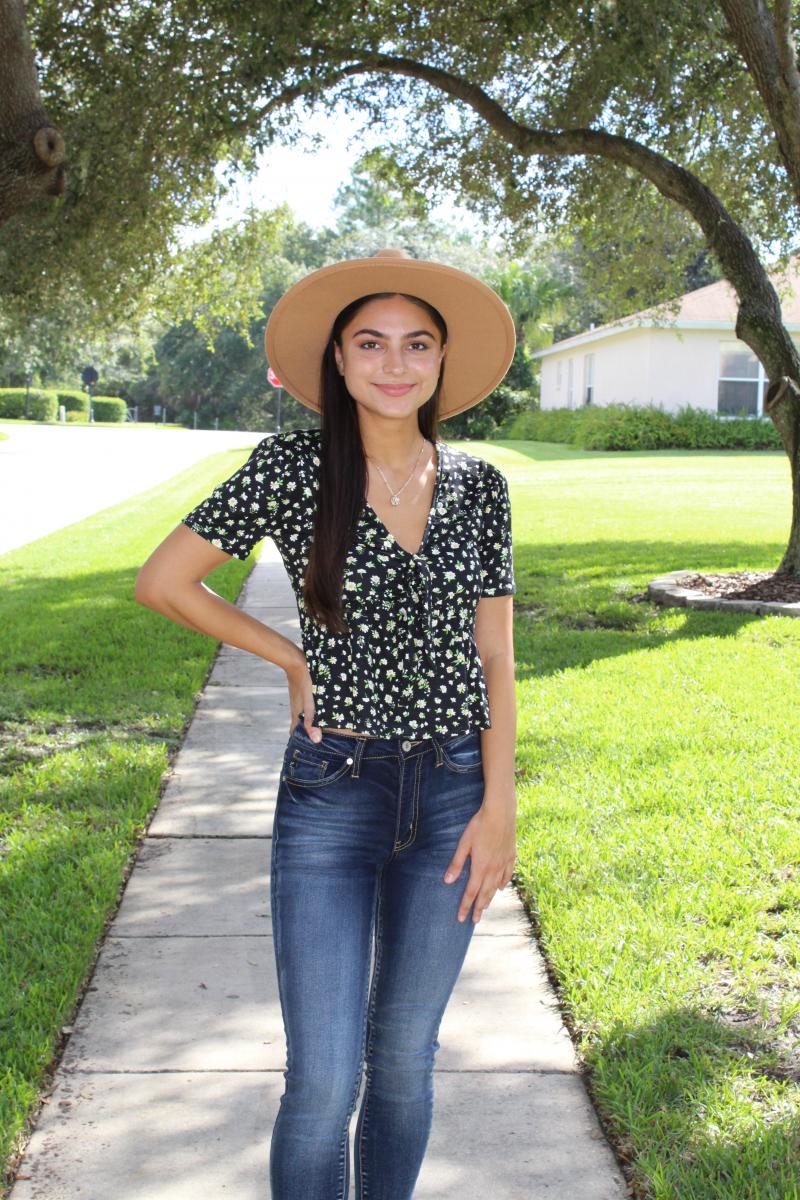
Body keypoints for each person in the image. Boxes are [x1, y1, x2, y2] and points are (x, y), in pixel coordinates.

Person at [134, 247, 518, 1199]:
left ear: (439, 363)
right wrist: (290, 656)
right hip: (333, 794)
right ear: (339, 362)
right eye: (371, 343)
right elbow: (164, 582)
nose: (395, 363)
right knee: (322, 1082)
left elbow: (498, 658)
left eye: (416, 344)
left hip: (455, 795)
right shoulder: (294, 469)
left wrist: (500, 802)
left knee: (405, 1066)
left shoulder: (481, 487)